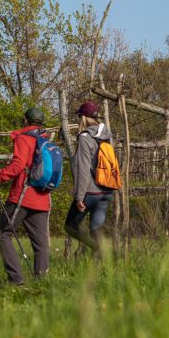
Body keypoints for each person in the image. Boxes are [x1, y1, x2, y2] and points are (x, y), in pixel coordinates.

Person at [0, 107, 52, 283]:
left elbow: (18, 166)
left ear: (25, 121)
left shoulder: (24, 138)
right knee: (40, 243)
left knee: (3, 234)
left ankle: (16, 279)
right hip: (42, 197)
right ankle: (41, 283)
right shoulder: (46, 140)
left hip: (23, 196)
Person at [65, 101, 116, 253]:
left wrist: (79, 197)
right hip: (107, 191)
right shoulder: (107, 134)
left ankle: (97, 248)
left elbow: (83, 169)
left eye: (79, 117)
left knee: (70, 226)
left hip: (91, 192)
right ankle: (102, 267)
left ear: (83, 118)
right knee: (96, 229)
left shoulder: (85, 137)